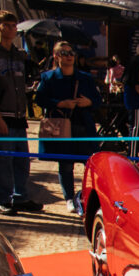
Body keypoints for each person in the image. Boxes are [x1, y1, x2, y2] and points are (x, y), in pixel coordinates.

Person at [36, 40, 100, 213]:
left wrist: (89, 102)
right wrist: (60, 103)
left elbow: (98, 100)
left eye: (72, 53)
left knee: (89, 163)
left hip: (83, 125)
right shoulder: (48, 78)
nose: (70, 56)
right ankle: (69, 198)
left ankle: (87, 196)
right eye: (65, 53)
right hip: (63, 125)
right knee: (65, 165)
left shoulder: (85, 78)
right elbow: (39, 99)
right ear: (56, 57)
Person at [0, 10, 39, 215]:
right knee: (2, 161)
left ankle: (20, 197)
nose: (12, 29)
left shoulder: (19, 54)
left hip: (19, 115)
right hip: (1, 115)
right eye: (8, 25)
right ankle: (0, 199)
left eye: (14, 25)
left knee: (21, 159)